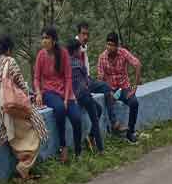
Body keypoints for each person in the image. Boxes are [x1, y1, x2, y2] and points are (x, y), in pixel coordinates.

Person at [0, 35, 48, 180]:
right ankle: (24, 167)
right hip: (6, 109)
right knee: (38, 127)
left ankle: (25, 170)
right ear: (9, 50)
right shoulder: (9, 61)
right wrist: (31, 98)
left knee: (20, 135)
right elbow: (22, 86)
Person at [35, 26, 83, 162]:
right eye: (42, 38)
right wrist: (38, 93)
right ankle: (63, 147)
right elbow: (36, 78)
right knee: (60, 110)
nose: (44, 41)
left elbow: (68, 77)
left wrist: (67, 98)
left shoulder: (62, 54)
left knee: (76, 118)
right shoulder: (41, 55)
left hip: (66, 92)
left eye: (47, 38)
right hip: (49, 92)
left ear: (53, 40)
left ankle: (78, 151)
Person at [97, 32, 141, 144]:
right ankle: (114, 125)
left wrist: (134, 87)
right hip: (110, 90)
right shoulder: (102, 57)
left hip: (123, 88)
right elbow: (100, 78)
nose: (109, 47)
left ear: (117, 45)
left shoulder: (123, 53)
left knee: (134, 103)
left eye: (112, 45)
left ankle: (130, 132)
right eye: (107, 44)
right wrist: (106, 89)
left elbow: (137, 64)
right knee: (107, 95)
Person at [77, 22, 119, 131]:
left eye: (87, 34)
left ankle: (113, 122)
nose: (86, 37)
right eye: (83, 34)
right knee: (97, 108)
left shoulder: (84, 47)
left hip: (87, 79)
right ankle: (92, 136)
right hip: (79, 84)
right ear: (78, 34)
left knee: (106, 87)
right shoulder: (74, 47)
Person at [67, 39, 104, 153]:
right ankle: (100, 149)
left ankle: (79, 150)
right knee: (95, 121)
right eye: (79, 49)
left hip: (75, 98)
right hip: (85, 95)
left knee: (98, 109)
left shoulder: (66, 64)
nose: (80, 51)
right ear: (75, 51)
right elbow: (86, 80)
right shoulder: (79, 63)